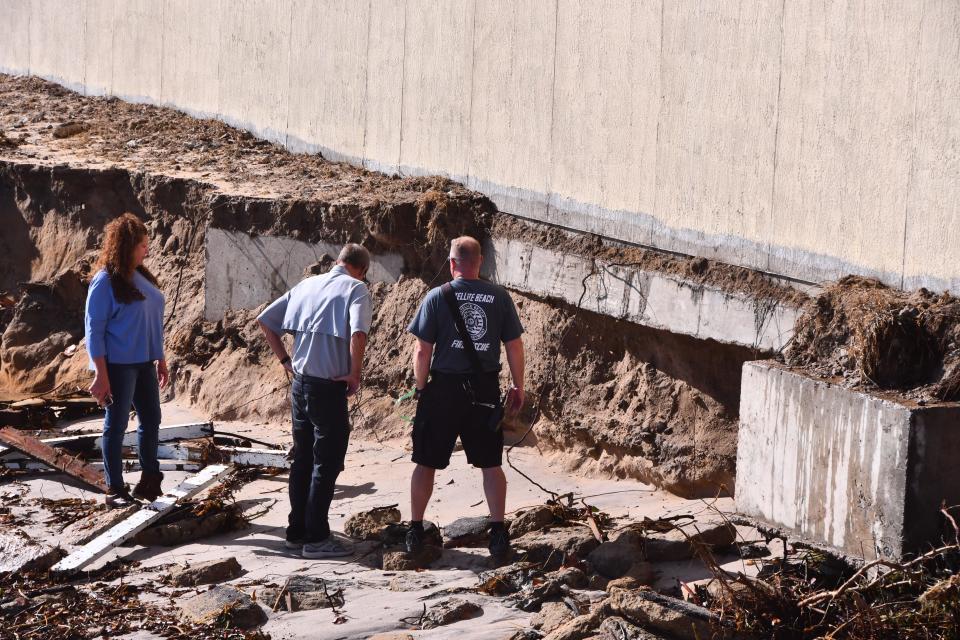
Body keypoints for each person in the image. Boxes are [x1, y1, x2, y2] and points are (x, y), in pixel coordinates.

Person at [406, 236, 525, 560]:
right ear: (480, 262)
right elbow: (514, 345)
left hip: (444, 389)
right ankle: (498, 532)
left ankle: (415, 530)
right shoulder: (499, 297)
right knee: (490, 463)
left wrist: (420, 388)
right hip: (484, 390)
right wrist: (518, 385)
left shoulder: (436, 296)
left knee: (426, 461)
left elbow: (421, 350)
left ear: (452, 263)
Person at [257, 244, 372, 559]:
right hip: (327, 387)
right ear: (361, 270)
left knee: (303, 460)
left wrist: (284, 360)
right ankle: (317, 537)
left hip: (301, 385)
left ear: (338, 261)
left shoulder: (307, 284)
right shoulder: (357, 289)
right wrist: (354, 374)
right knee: (327, 462)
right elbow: (359, 334)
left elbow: (265, 321)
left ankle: (296, 533)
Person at [86, 213, 168, 508]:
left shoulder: (141, 275)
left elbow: (153, 321)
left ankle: (149, 478)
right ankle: (114, 489)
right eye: (142, 245)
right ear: (126, 246)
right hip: (118, 366)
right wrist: (100, 374)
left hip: (145, 362)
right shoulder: (105, 281)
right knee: (116, 424)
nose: (147, 250)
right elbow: (93, 330)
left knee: (152, 419)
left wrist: (160, 357)